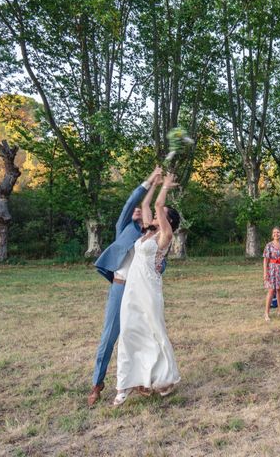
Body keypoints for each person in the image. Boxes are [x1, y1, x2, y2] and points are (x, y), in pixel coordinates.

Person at [88, 166, 163, 406]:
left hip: (141, 290)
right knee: (109, 337)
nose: (137, 210)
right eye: (136, 209)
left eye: (142, 210)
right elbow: (131, 201)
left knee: (142, 335)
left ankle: (142, 381)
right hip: (121, 287)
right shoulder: (124, 229)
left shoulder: (153, 237)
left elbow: (161, 263)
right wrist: (151, 180)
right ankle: (97, 384)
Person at [114, 172, 182, 405]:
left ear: (167, 221)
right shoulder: (147, 232)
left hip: (150, 290)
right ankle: (128, 383)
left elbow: (158, 205)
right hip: (132, 289)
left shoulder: (165, 236)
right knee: (130, 330)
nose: (154, 215)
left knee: (153, 332)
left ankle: (162, 378)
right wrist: (154, 183)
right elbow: (146, 203)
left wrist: (165, 188)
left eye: (160, 215)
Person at [263, 227, 280, 322]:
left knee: (279, 290)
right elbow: (265, 260)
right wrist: (265, 272)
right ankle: (266, 313)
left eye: (278, 232)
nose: (276, 234)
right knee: (271, 290)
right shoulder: (269, 245)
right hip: (272, 269)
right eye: (274, 232)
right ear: (272, 234)